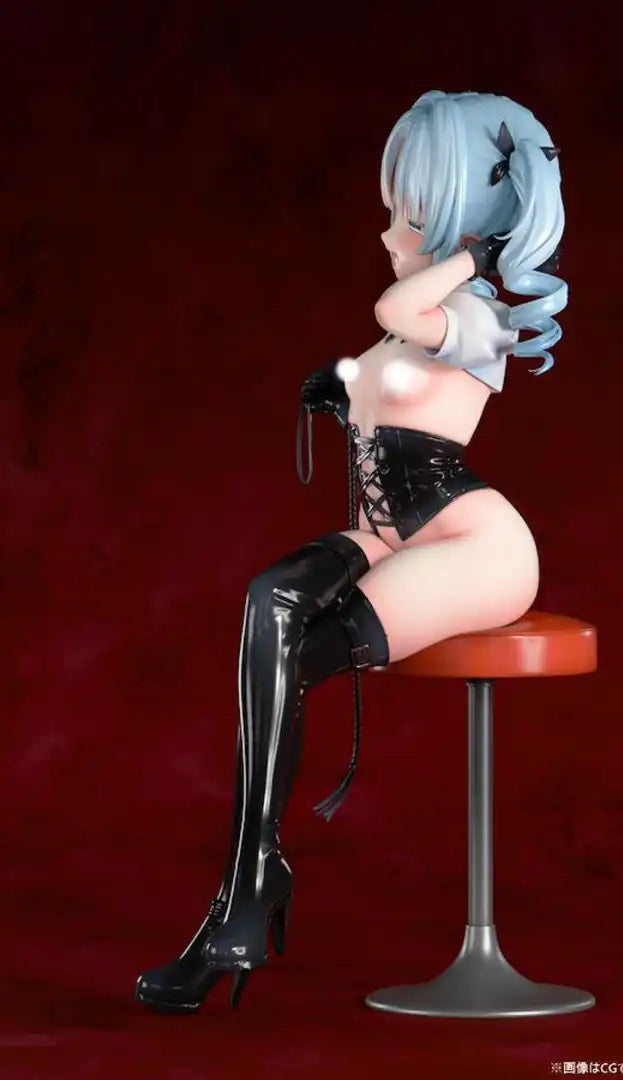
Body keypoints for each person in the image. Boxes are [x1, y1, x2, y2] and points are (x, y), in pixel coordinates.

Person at [134, 89, 568, 1014]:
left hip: (472, 542)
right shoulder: (419, 319)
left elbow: (396, 308)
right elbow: (391, 371)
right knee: (270, 601)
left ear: (459, 223)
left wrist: (471, 255)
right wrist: (341, 390)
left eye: (406, 213)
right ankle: (250, 883)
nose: (385, 232)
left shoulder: (478, 313)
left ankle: (243, 901)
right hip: (384, 531)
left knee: (296, 657)